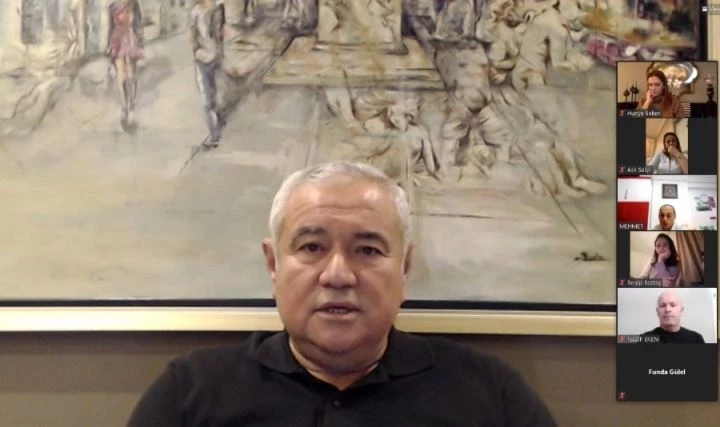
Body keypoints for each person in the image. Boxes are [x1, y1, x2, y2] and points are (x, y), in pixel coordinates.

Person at [126, 161, 558, 426]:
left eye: (367, 250)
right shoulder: (191, 393)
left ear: (405, 268)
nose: (338, 275)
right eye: (312, 247)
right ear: (273, 264)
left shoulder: (488, 392)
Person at [189, 0, 225, 145]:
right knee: (211, 92)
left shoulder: (200, 11)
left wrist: (196, 50)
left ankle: (214, 135)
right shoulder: (216, 8)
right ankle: (217, 120)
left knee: (207, 95)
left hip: (207, 57)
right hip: (210, 57)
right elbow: (220, 33)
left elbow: (192, 35)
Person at [107, 0, 145, 124]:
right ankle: (124, 106)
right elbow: (110, 27)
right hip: (117, 39)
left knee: (131, 75)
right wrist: (108, 47)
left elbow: (139, 24)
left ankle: (132, 105)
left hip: (131, 38)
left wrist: (140, 43)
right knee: (121, 75)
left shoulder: (133, 3)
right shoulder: (112, 6)